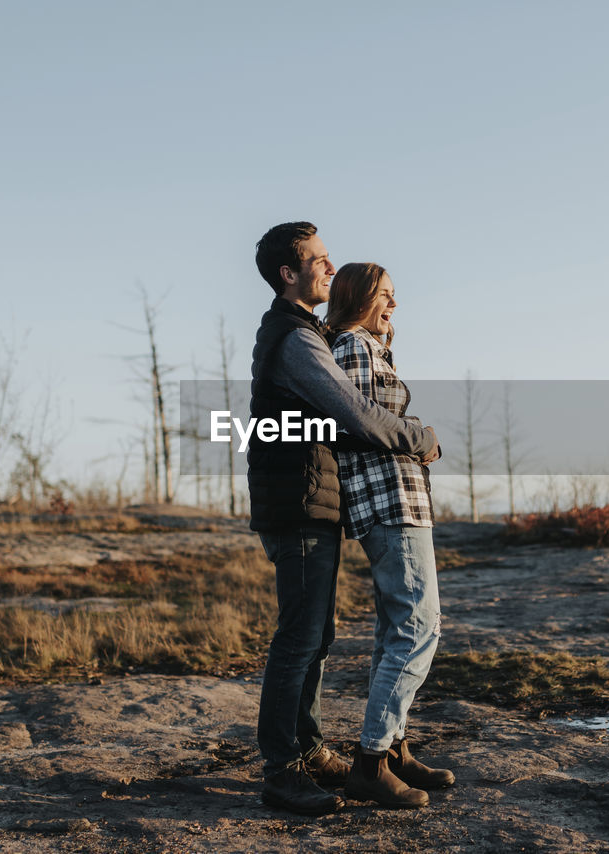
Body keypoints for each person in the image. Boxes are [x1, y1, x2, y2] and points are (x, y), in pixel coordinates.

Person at [248, 222, 440, 816]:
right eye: (320, 260)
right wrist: (418, 436)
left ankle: (305, 750)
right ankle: (282, 771)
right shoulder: (297, 340)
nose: (331, 269)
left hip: (314, 499)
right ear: (289, 272)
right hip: (297, 503)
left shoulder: (305, 332)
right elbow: (354, 411)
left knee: (318, 635)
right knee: (300, 637)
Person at [326, 262, 455, 809]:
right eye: (385, 295)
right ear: (358, 298)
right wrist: (420, 438)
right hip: (389, 502)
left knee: (392, 632)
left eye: (395, 296)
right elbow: (361, 422)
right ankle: (371, 759)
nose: (393, 305)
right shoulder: (353, 347)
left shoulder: (369, 348)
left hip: (398, 500)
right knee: (418, 626)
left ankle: (395, 749)